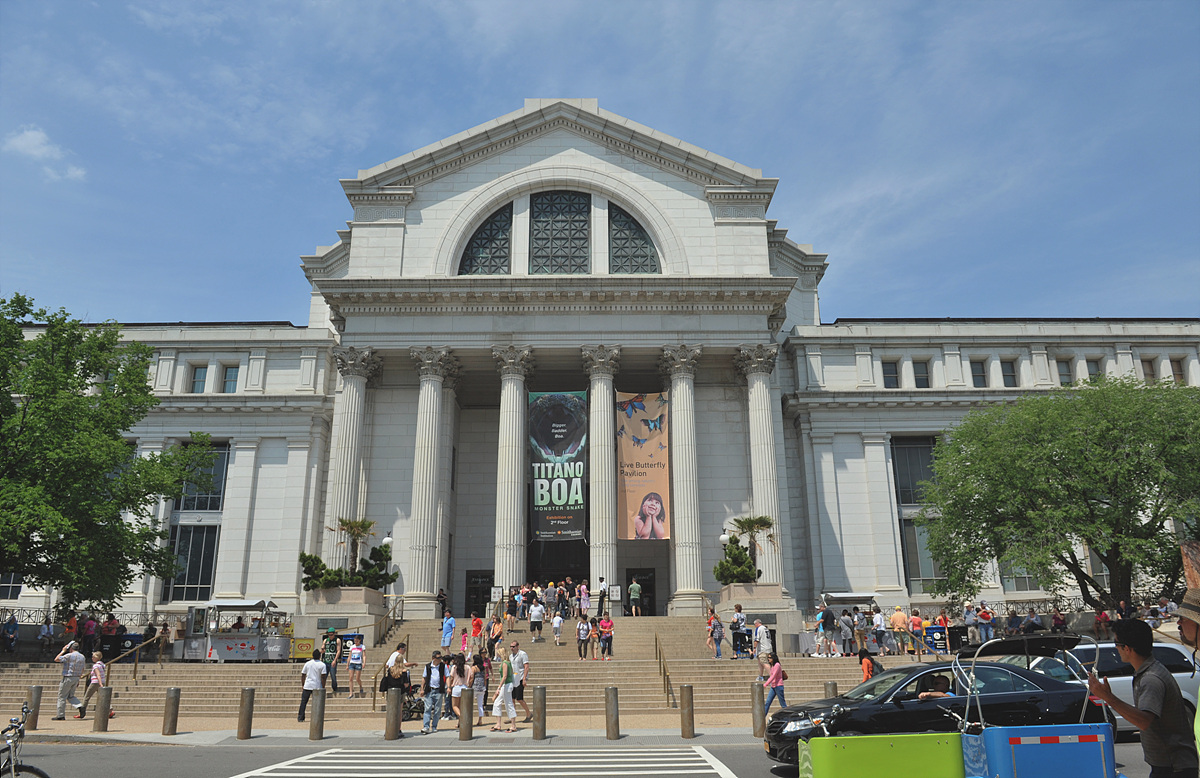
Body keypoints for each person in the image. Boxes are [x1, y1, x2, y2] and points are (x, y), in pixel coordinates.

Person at [1088, 618, 1197, 777]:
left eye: (1116, 643)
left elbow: (1143, 720)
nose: (1116, 648)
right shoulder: (1148, 671)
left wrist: (1108, 697)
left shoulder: (1151, 678)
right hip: (1169, 766)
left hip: (1174, 767)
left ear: (1127, 648)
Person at [52, 641, 86, 720]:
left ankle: (60, 715)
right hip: (76, 677)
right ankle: (79, 706)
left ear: (70, 648)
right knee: (71, 696)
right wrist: (79, 679)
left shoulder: (69, 655)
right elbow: (82, 668)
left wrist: (63, 651)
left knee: (62, 696)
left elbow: (56, 659)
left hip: (68, 677)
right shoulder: (82, 656)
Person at [490, 645, 517, 733]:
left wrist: (499, 687)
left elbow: (504, 676)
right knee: (497, 703)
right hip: (506, 685)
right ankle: (498, 724)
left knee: (508, 704)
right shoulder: (507, 663)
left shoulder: (505, 663)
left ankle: (513, 725)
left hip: (506, 685)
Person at [80, 651, 115, 719]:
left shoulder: (95, 666)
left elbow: (98, 674)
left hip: (95, 682)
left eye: (93, 657)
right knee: (103, 697)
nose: (92, 658)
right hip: (102, 681)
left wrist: (100, 683)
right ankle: (110, 710)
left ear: (97, 658)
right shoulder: (102, 665)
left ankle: (82, 712)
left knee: (86, 697)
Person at [419, 650, 447, 734]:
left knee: (437, 709)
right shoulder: (428, 666)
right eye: (438, 658)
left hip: (439, 690)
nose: (440, 659)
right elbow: (424, 677)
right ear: (433, 658)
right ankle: (426, 726)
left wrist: (448, 687)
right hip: (429, 689)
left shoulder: (443, 666)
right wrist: (422, 688)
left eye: (441, 658)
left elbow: (448, 676)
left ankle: (434, 726)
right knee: (427, 708)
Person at [298, 648, 327, 722]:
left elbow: (303, 675)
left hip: (308, 685)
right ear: (320, 656)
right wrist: (323, 686)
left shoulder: (308, 663)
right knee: (317, 703)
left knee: (303, 702)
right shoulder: (322, 665)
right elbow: (323, 677)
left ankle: (301, 717)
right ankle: (316, 717)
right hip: (317, 685)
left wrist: (303, 684)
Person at [509, 640, 532, 722]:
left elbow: (526, 666)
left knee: (519, 698)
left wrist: (524, 679)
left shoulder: (522, 654)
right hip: (513, 678)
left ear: (517, 646)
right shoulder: (510, 656)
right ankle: (512, 717)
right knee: (512, 698)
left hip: (520, 677)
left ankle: (528, 713)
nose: (512, 648)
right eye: (511, 647)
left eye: (513, 646)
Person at [321, 628, 342, 696]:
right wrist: (322, 650)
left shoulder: (337, 640)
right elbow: (322, 648)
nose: (330, 636)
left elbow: (338, 651)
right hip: (326, 660)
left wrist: (335, 660)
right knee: (324, 675)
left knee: (333, 675)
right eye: (329, 635)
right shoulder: (325, 640)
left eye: (331, 634)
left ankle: (334, 687)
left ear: (334, 634)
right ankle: (322, 688)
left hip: (332, 660)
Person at [447, 652, 467, 721]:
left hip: (456, 687)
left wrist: (449, 687)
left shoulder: (454, 667)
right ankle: (460, 722)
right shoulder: (467, 667)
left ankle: (461, 717)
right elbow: (471, 677)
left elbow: (451, 677)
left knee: (455, 706)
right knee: (462, 706)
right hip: (465, 687)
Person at [470, 653, 488, 726]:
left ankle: (469, 719)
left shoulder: (474, 668)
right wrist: (485, 687)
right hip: (482, 687)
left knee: (470, 704)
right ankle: (480, 720)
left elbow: (471, 678)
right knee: (480, 704)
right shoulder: (483, 668)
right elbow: (485, 678)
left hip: (475, 687)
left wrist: (469, 686)